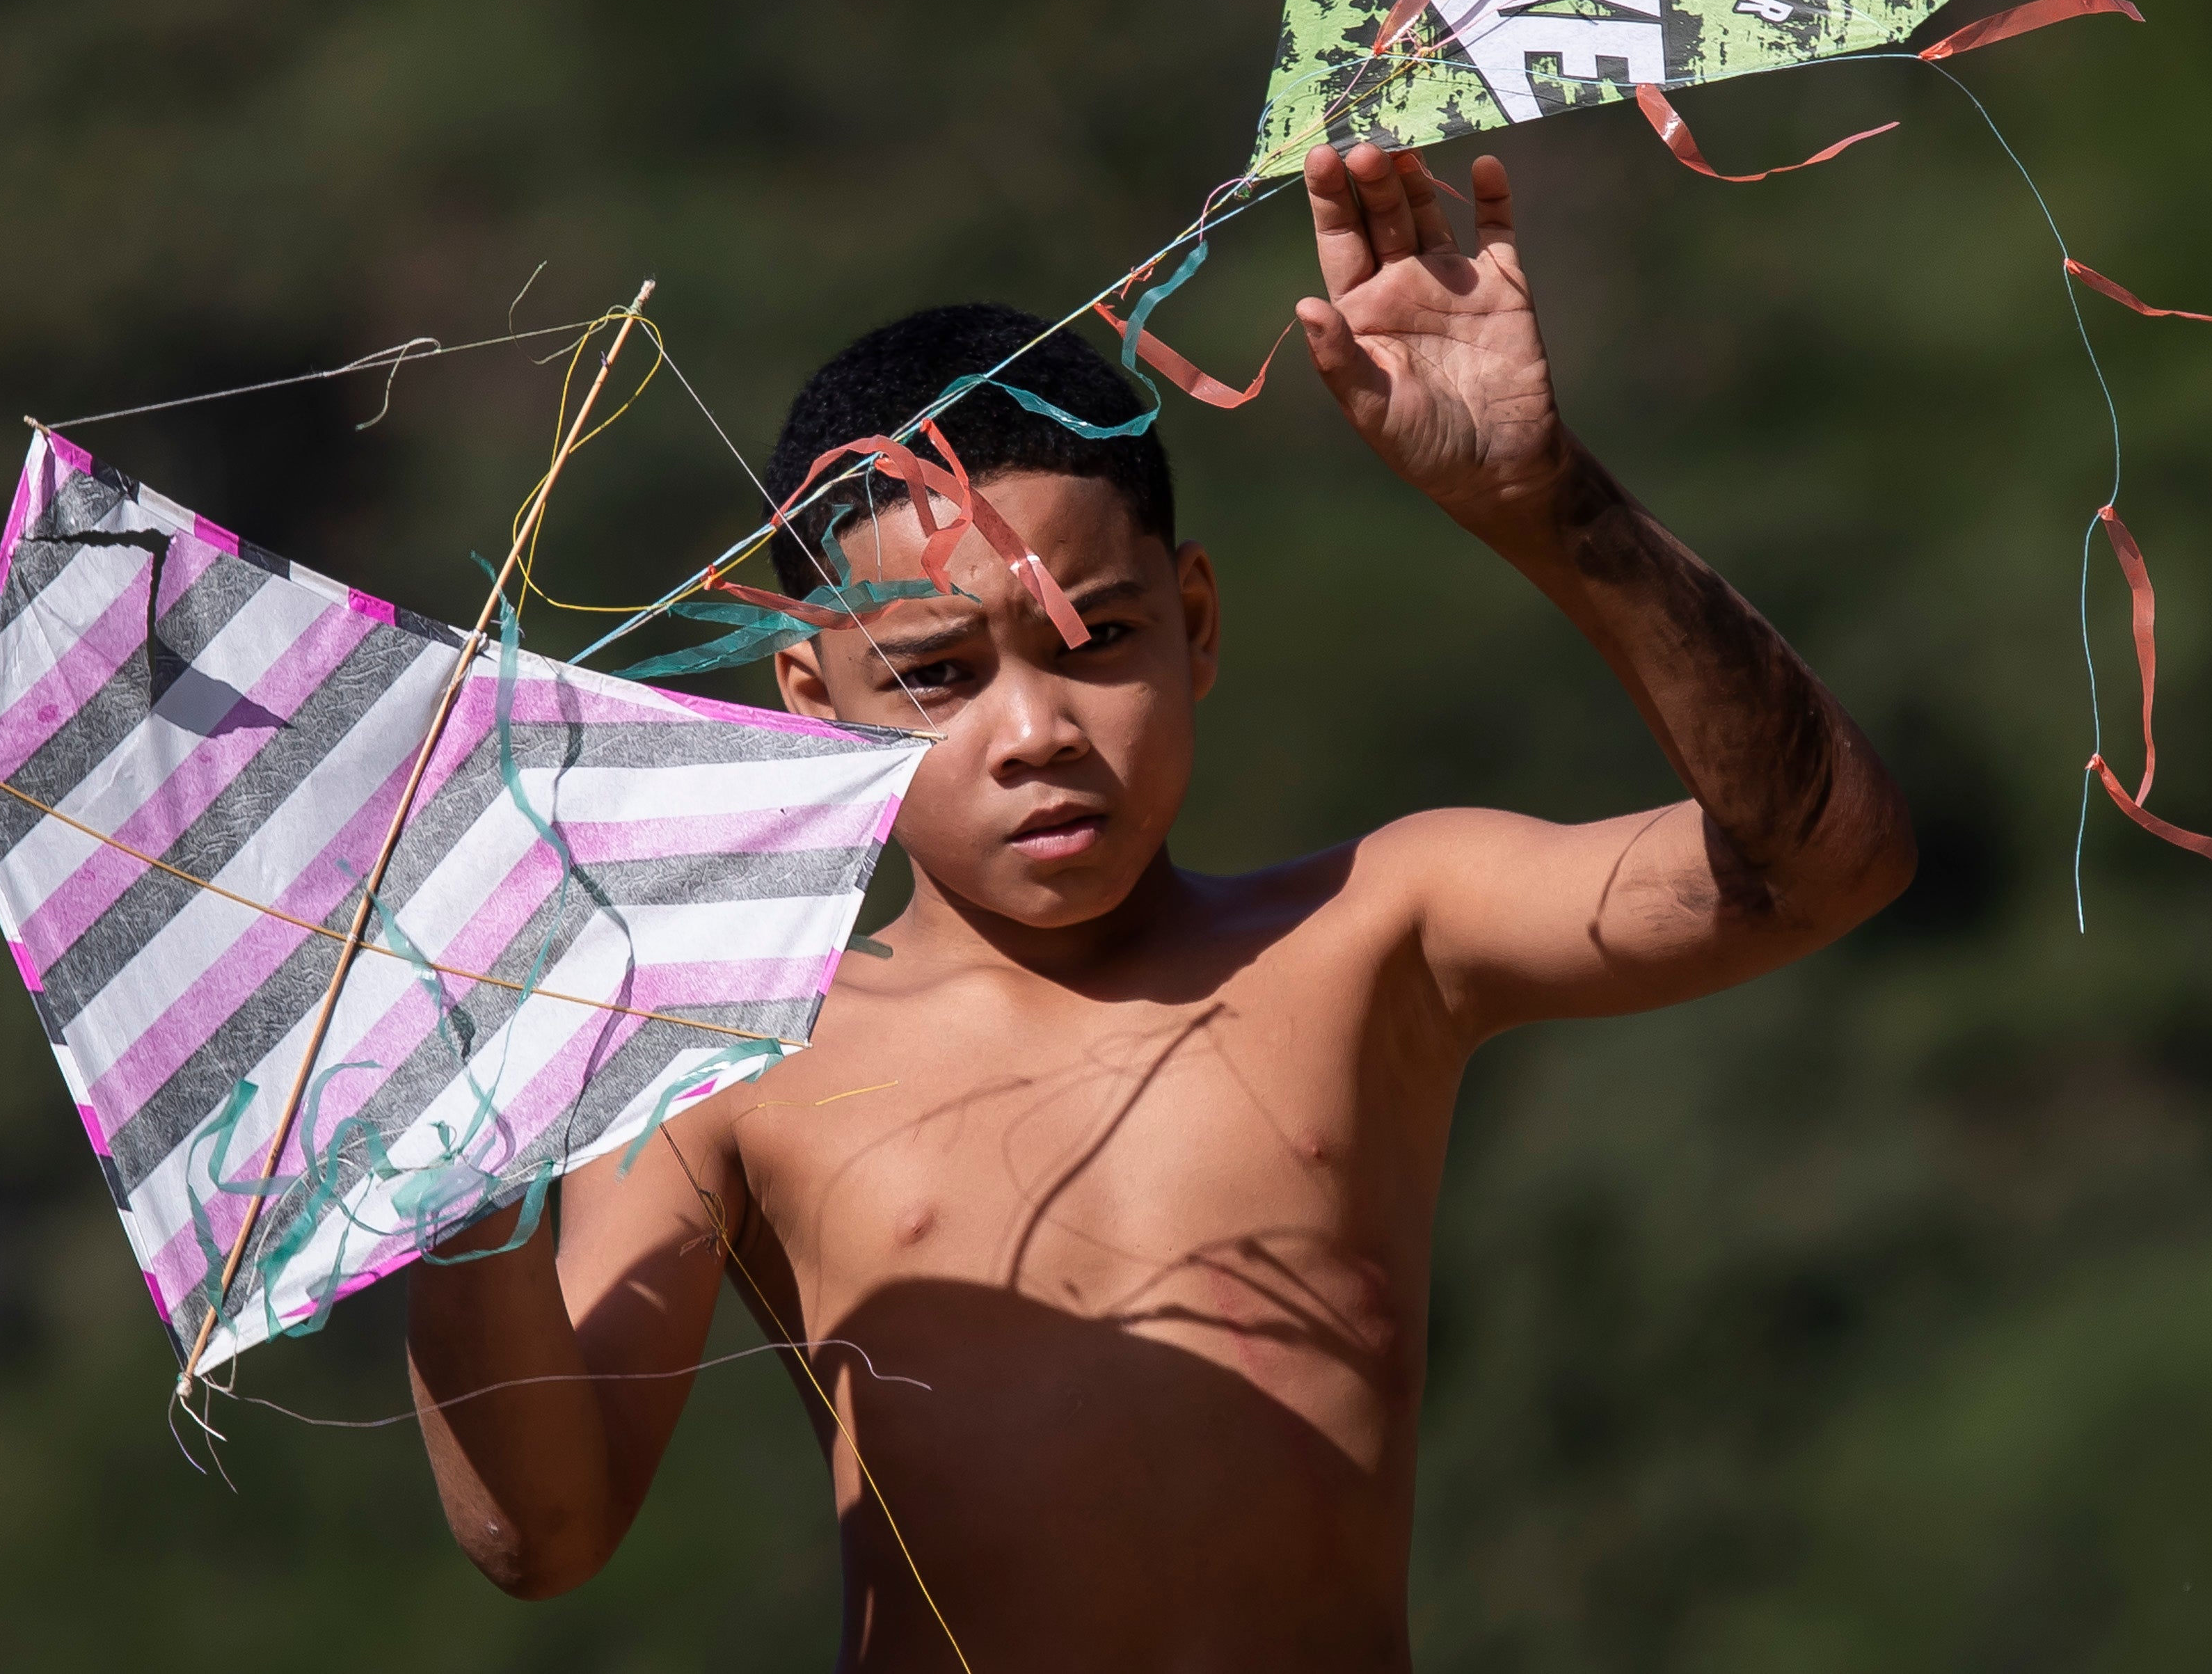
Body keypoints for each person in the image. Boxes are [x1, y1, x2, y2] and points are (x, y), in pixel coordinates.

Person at [406, 143, 1916, 1669]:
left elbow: (1826, 860)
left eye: (1094, 637)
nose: (1034, 728)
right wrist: (435, 1143)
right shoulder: (736, 1058)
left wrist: (1545, 500)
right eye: (935, 672)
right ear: (810, 700)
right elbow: (542, 1530)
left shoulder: (1373, 931)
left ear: (1191, 623)